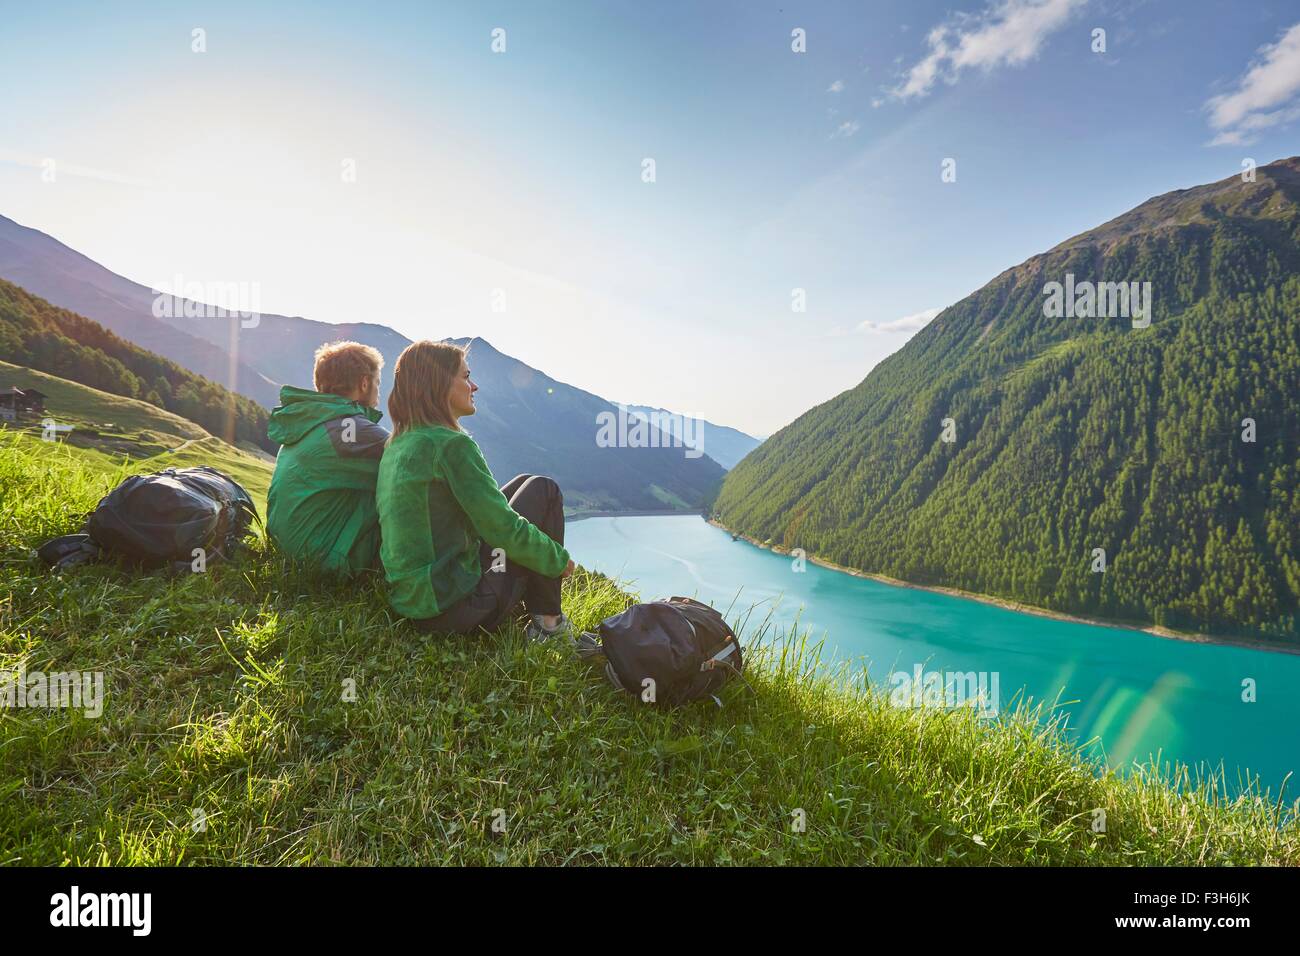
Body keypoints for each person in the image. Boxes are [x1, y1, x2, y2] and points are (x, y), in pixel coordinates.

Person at [376, 340, 575, 640]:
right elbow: (502, 528)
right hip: (454, 609)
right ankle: (549, 626)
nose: (475, 386)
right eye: (466, 376)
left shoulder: (399, 444)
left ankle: (543, 618)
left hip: (413, 601)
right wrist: (558, 560)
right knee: (544, 491)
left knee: (525, 485)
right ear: (440, 383)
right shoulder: (451, 445)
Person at [266, 341, 388, 574]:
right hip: (321, 558)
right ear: (364, 383)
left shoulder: (311, 420)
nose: (378, 390)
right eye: (377, 382)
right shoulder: (350, 428)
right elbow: (416, 461)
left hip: (289, 549)